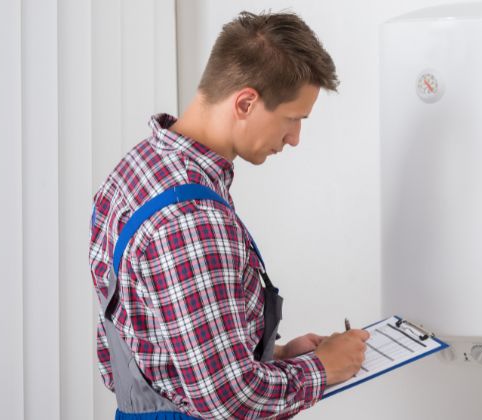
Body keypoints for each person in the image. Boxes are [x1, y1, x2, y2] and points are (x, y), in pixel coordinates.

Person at [89, 11, 369, 419]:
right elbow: (228, 400)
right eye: (292, 119)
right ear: (245, 102)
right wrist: (322, 368)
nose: (294, 139)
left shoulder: (136, 170)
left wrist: (277, 355)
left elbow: (140, 346)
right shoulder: (192, 218)